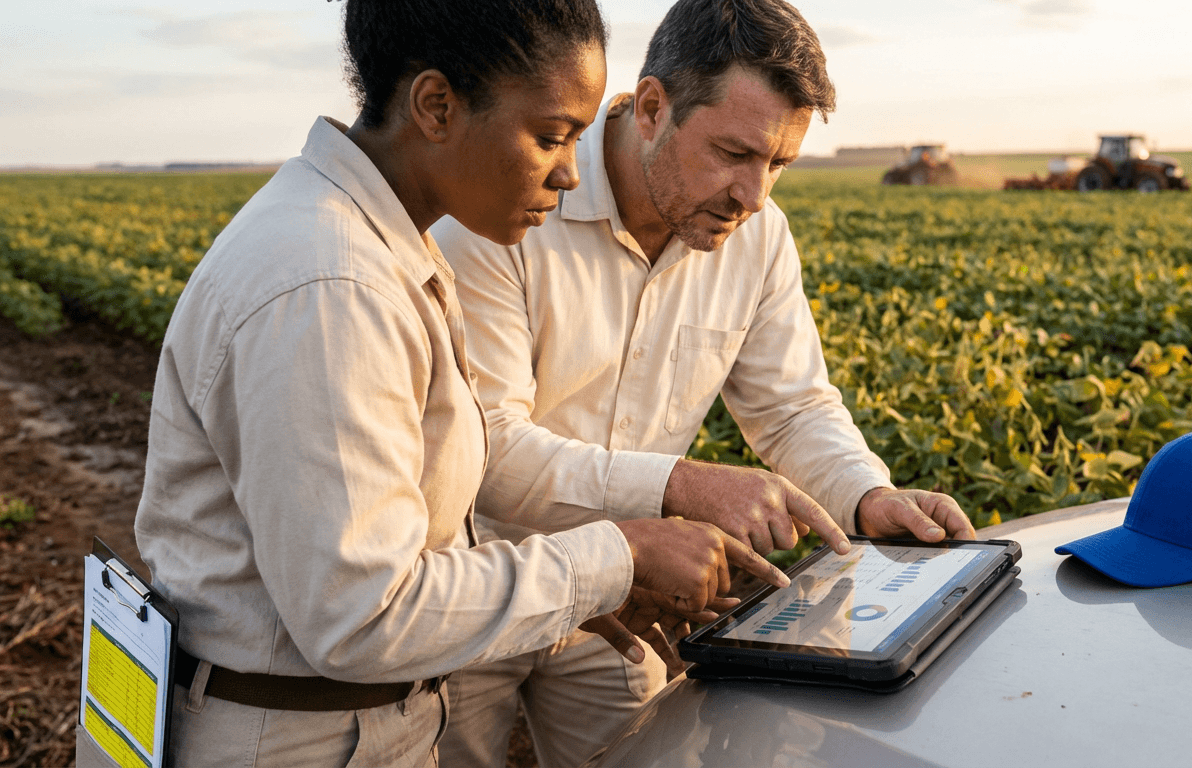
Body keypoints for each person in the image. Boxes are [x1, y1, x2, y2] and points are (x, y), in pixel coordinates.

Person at [124, 1, 786, 765]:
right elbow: (362, 615)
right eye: (551, 136)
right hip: (297, 742)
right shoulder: (331, 284)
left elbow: (405, 538)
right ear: (437, 106)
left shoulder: (376, 244)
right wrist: (616, 557)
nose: (570, 173)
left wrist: (584, 589)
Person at [429, 0, 978, 764]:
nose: (754, 195)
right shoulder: (508, 209)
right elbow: (487, 447)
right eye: (733, 152)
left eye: (778, 164)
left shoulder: (759, 237)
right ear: (652, 108)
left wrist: (866, 496)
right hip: (475, 582)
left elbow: (791, 407)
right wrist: (682, 487)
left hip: (632, 593)